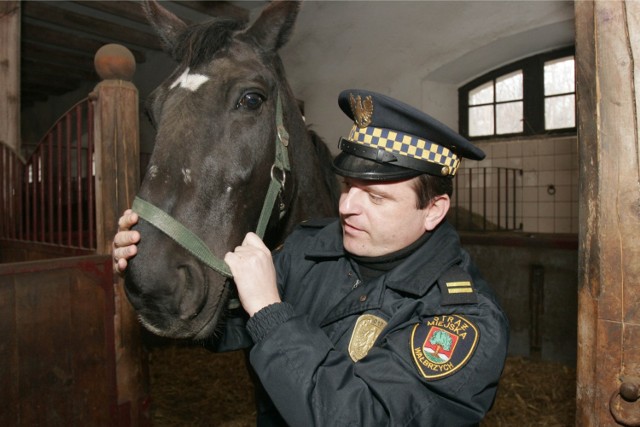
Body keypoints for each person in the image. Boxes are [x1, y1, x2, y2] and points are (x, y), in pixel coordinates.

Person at [113, 89, 509, 426]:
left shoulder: (459, 320)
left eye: (376, 196)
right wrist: (153, 269)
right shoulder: (311, 249)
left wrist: (270, 311)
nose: (348, 206)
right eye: (349, 186)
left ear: (434, 209)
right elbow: (225, 324)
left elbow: (362, 416)